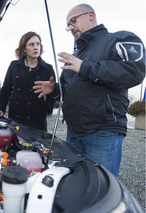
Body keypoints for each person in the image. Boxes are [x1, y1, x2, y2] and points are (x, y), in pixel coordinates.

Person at [33, 4, 145, 176]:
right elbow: (72, 89)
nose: (70, 27)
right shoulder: (76, 55)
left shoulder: (119, 38)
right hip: (74, 132)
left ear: (90, 15)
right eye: (68, 25)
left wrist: (84, 67)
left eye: (73, 20)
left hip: (103, 131)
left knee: (101, 187)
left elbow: (134, 71)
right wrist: (55, 89)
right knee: (77, 183)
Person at [0, 31, 59, 131]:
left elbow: (52, 94)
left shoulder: (48, 68)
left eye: (38, 44)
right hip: (16, 119)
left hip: (37, 121)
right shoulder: (14, 66)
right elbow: (5, 90)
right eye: (31, 44)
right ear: (24, 48)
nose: (36, 47)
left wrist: (48, 106)